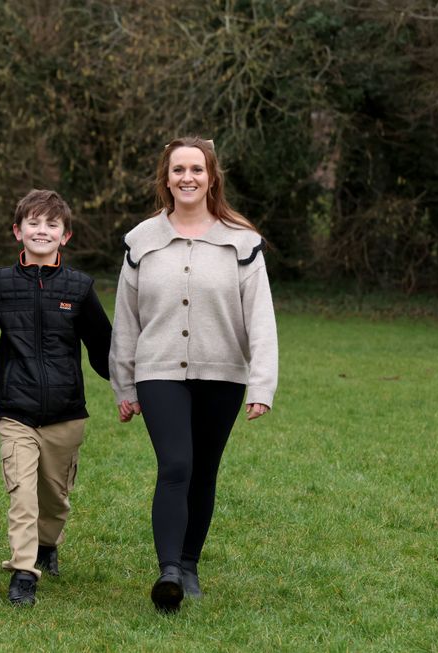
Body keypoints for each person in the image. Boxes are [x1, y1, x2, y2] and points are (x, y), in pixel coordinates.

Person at [109, 136, 278, 613]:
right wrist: (124, 383)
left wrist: (261, 384)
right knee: (176, 465)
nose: (188, 177)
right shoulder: (140, 241)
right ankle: (167, 573)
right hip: (158, 370)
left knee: (203, 471)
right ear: (166, 178)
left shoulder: (242, 242)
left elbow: (260, 318)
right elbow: (126, 321)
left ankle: (188, 564)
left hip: (223, 373)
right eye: (179, 169)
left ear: (211, 178)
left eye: (197, 170)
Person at [0, 189, 111, 606]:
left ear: (65, 236)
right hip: (16, 410)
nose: (42, 230)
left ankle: (47, 545)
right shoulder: (0, 284)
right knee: (21, 494)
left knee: (53, 498)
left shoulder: (80, 287)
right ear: (17, 231)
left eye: (51, 224)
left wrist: (130, 386)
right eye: (33, 223)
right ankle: (23, 571)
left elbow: (104, 348)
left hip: (66, 413)